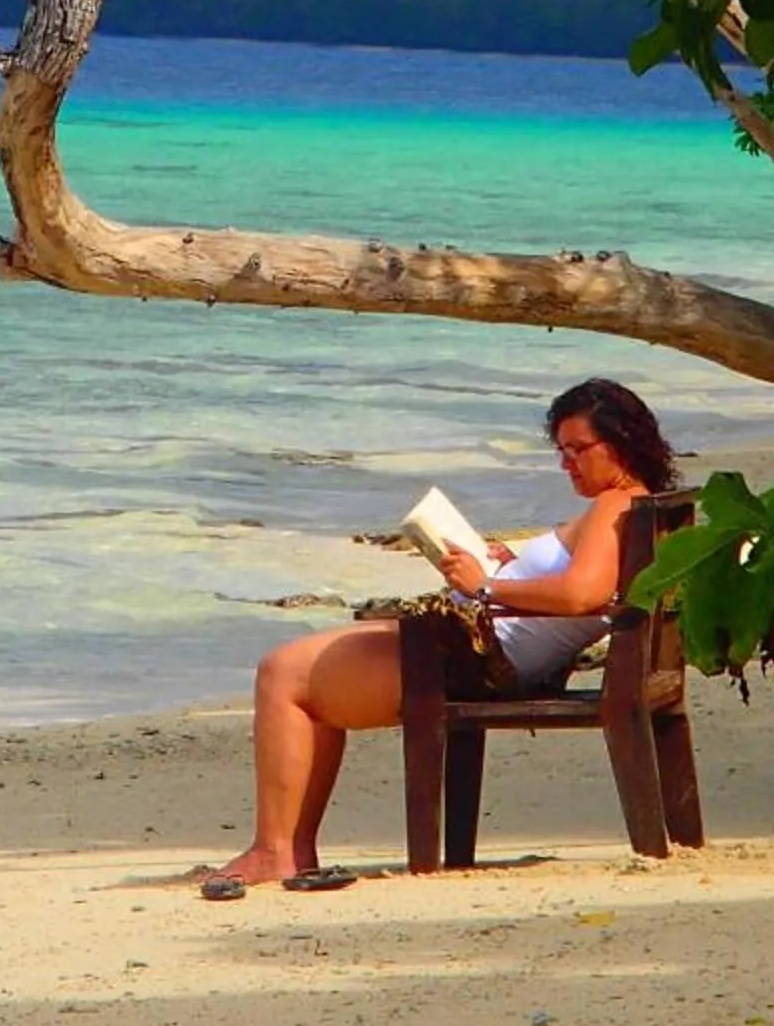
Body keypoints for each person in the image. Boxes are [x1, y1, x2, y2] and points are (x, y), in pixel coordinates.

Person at [199, 378, 679, 897]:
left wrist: (485, 586)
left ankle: (276, 850)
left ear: (621, 442)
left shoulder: (616, 505)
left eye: (578, 449)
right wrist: (506, 562)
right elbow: (585, 584)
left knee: (283, 673)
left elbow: (581, 595)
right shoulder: (637, 504)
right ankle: (288, 847)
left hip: (480, 661)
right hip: (488, 650)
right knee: (307, 669)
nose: (567, 463)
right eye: (561, 451)